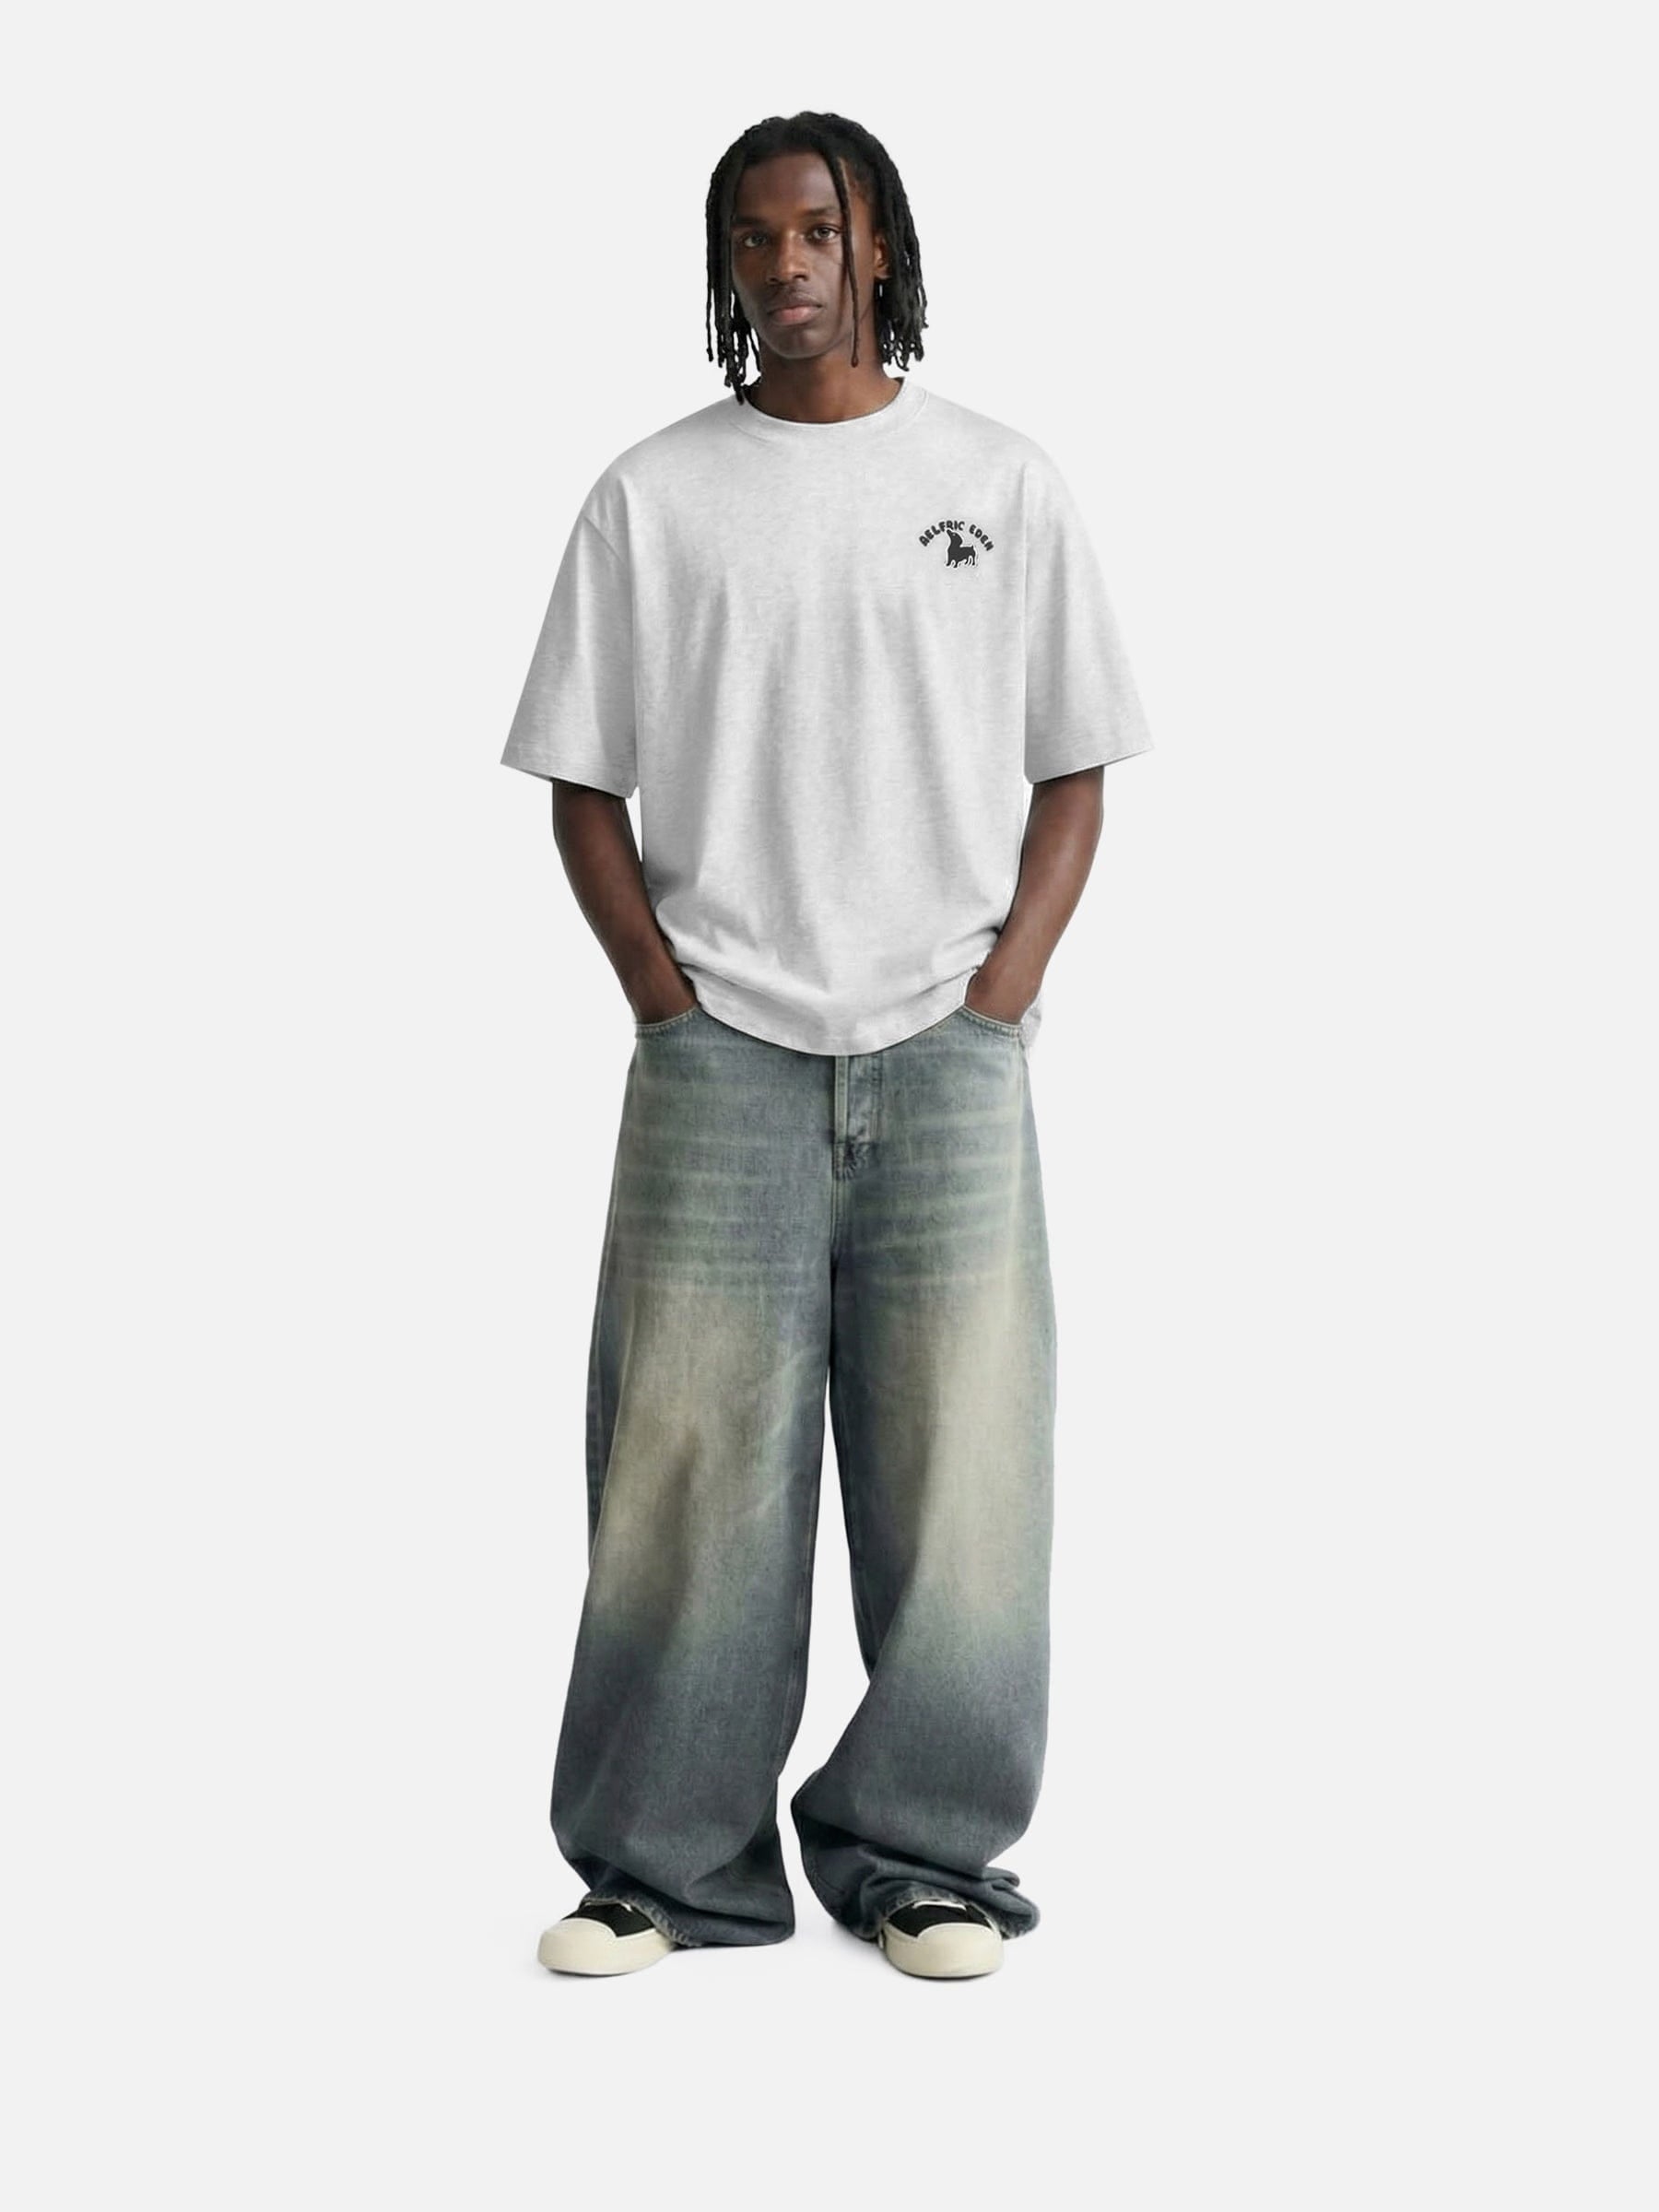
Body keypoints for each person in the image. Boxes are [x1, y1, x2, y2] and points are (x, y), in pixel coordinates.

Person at [500, 110, 1153, 1980]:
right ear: (725, 264)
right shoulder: (652, 497)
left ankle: (925, 1853)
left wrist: (1004, 991)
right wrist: (661, 994)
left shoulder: (999, 481)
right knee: (685, 1466)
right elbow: (583, 782)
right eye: (751, 237)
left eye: (817, 231)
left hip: (949, 1048)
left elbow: (1075, 765)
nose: (784, 266)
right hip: (720, 1054)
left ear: (880, 248)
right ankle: (665, 1865)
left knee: (966, 1469)